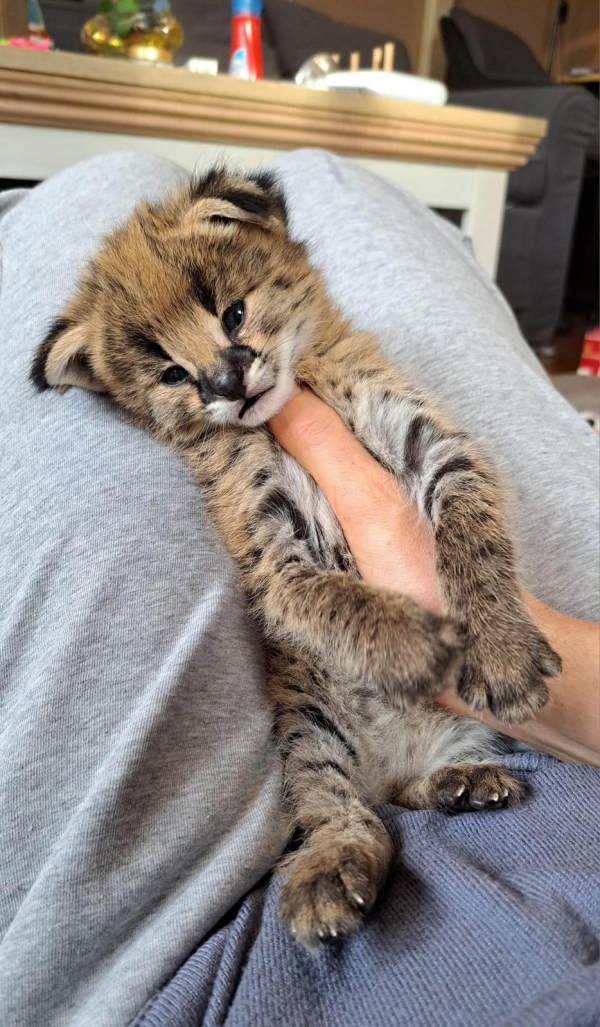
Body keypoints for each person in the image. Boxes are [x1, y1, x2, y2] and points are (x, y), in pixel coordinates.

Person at [0, 149, 598, 1027]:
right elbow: (280, 586)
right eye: (174, 374)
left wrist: (487, 609)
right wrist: (382, 625)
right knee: (302, 719)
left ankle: (420, 789)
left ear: (269, 245)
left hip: (493, 731)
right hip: (347, 714)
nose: (225, 375)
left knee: (311, 173)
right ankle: (345, 830)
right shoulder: (223, 451)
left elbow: (455, 474)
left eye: (232, 315)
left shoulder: (345, 357)